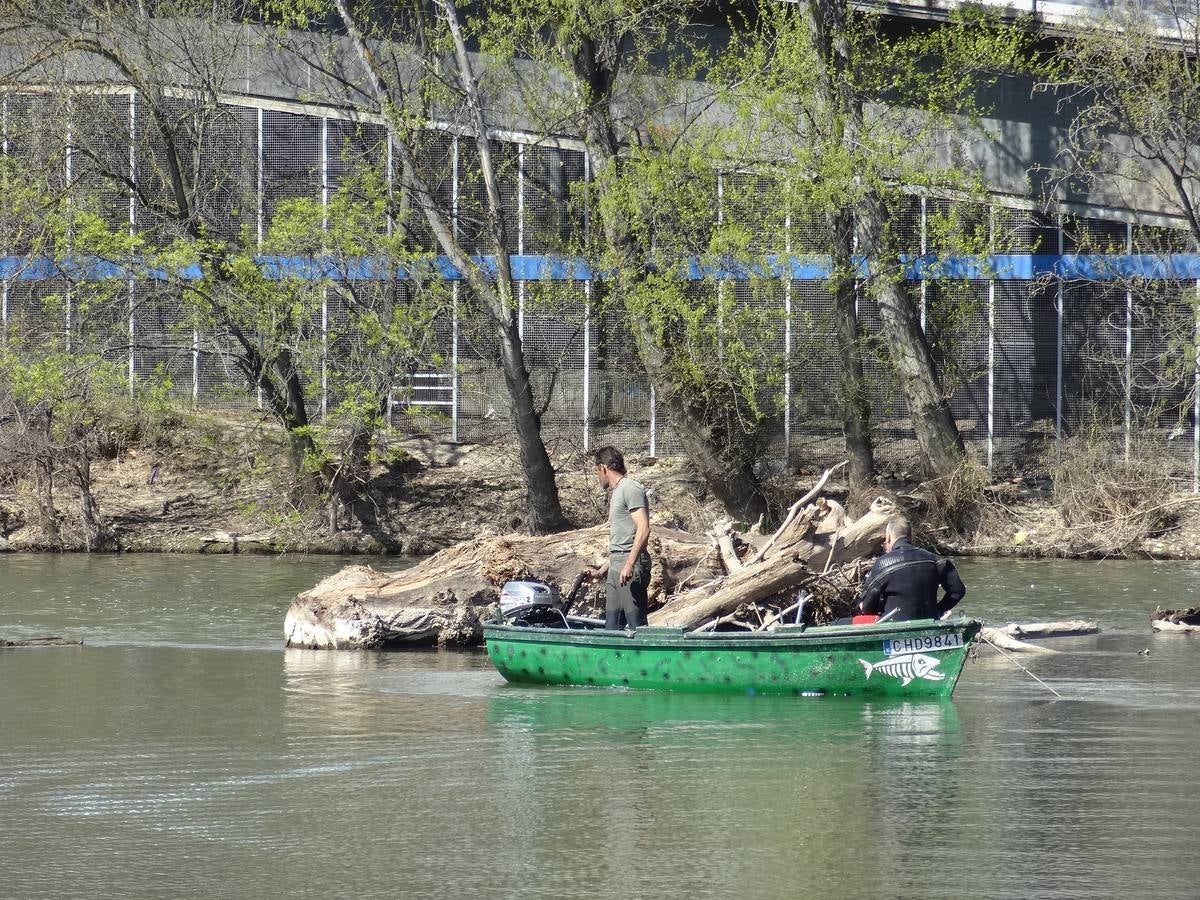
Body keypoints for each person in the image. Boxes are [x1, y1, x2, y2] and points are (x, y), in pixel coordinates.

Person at [588, 446, 652, 631]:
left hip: (629, 565)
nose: (598, 476)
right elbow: (622, 538)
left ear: (603, 468)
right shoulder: (617, 492)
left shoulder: (630, 488)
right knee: (611, 627)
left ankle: (645, 658)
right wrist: (601, 571)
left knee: (636, 626)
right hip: (616, 565)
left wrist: (630, 564)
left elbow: (644, 528)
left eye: (596, 471)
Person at [857, 517, 965, 622]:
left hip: (894, 629)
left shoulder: (882, 564)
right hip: (929, 624)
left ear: (888, 537)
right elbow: (958, 591)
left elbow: (866, 607)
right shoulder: (936, 560)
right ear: (910, 537)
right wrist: (939, 609)